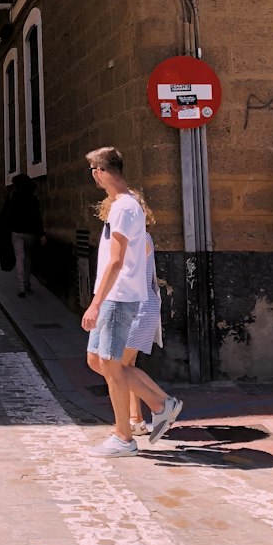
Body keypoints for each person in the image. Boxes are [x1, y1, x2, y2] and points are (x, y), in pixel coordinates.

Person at [83, 146, 183, 457]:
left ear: (99, 173)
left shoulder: (124, 208)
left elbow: (116, 261)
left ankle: (125, 436)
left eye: (93, 172)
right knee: (99, 362)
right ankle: (160, 405)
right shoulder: (121, 206)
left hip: (118, 297)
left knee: (114, 367)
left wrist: (96, 302)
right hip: (115, 296)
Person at [121, 227, 169, 436]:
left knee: (117, 367)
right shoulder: (143, 235)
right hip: (140, 305)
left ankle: (164, 403)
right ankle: (136, 419)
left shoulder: (136, 238)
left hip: (137, 307)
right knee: (127, 365)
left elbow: (125, 272)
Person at [3, 173, 45, 297]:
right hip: (30, 233)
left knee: (19, 257)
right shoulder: (33, 199)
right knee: (27, 257)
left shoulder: (12, 197)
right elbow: (38, 217)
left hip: (16, 232)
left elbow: (6, 214)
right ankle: (27, 282)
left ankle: (21, 285)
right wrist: (41, 233)